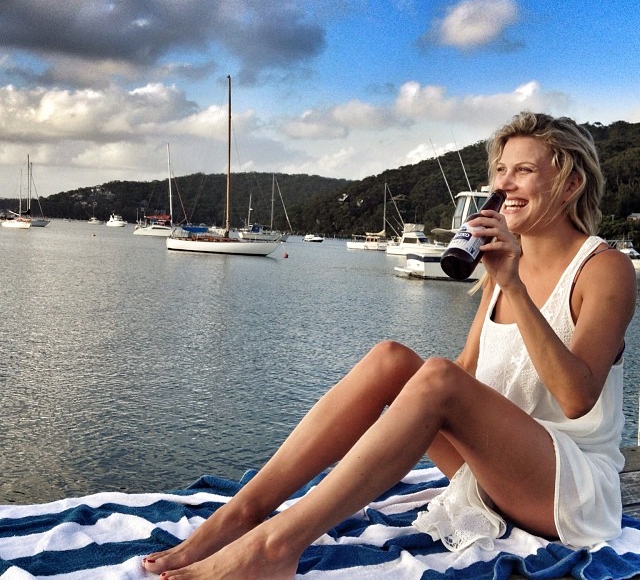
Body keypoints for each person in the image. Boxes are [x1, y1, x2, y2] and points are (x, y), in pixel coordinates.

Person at [143, 111, 637, 579]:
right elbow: (468, 370)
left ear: (571, 184)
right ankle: (243, 513)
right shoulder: (506, 261)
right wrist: (401, 417)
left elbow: (576, 398)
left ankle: (276, 547)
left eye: (523, 171)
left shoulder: (604, 269)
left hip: (569, 491)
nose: (503, 185)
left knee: (438, 377)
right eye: (501, 170)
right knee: (391, 359)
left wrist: (513, 286)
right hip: (498, 473)